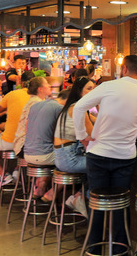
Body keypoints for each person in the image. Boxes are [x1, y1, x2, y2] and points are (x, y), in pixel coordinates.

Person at [73, 54, 137, 252]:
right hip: (125, 157)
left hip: (99, 154)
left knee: (97, 203)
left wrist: (82, 135)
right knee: (121, 205)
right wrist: (130, 131)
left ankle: (94, 249)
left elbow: (79, 106)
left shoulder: (109, 86)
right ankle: (119, 250)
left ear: (124, 69)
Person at [0, 70, 35, 187]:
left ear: (21, 83)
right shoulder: (39, 98)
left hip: (10, 141)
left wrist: (0, 113)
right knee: (21, 150)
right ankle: (17, 169)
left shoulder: (12, 94)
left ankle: (4, 174)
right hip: (31, 145)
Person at [54, 77, 95, 216]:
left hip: (62, 156)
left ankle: (78, 197)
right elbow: (93, 135)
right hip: (69, 159)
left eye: (94, 89)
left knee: (95, 164)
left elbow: (99, 120)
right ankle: (81, 198)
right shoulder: (79, 109)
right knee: (102, 164)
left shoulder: (73, 106)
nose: (93, 92)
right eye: (89, 89)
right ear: (79, 92)